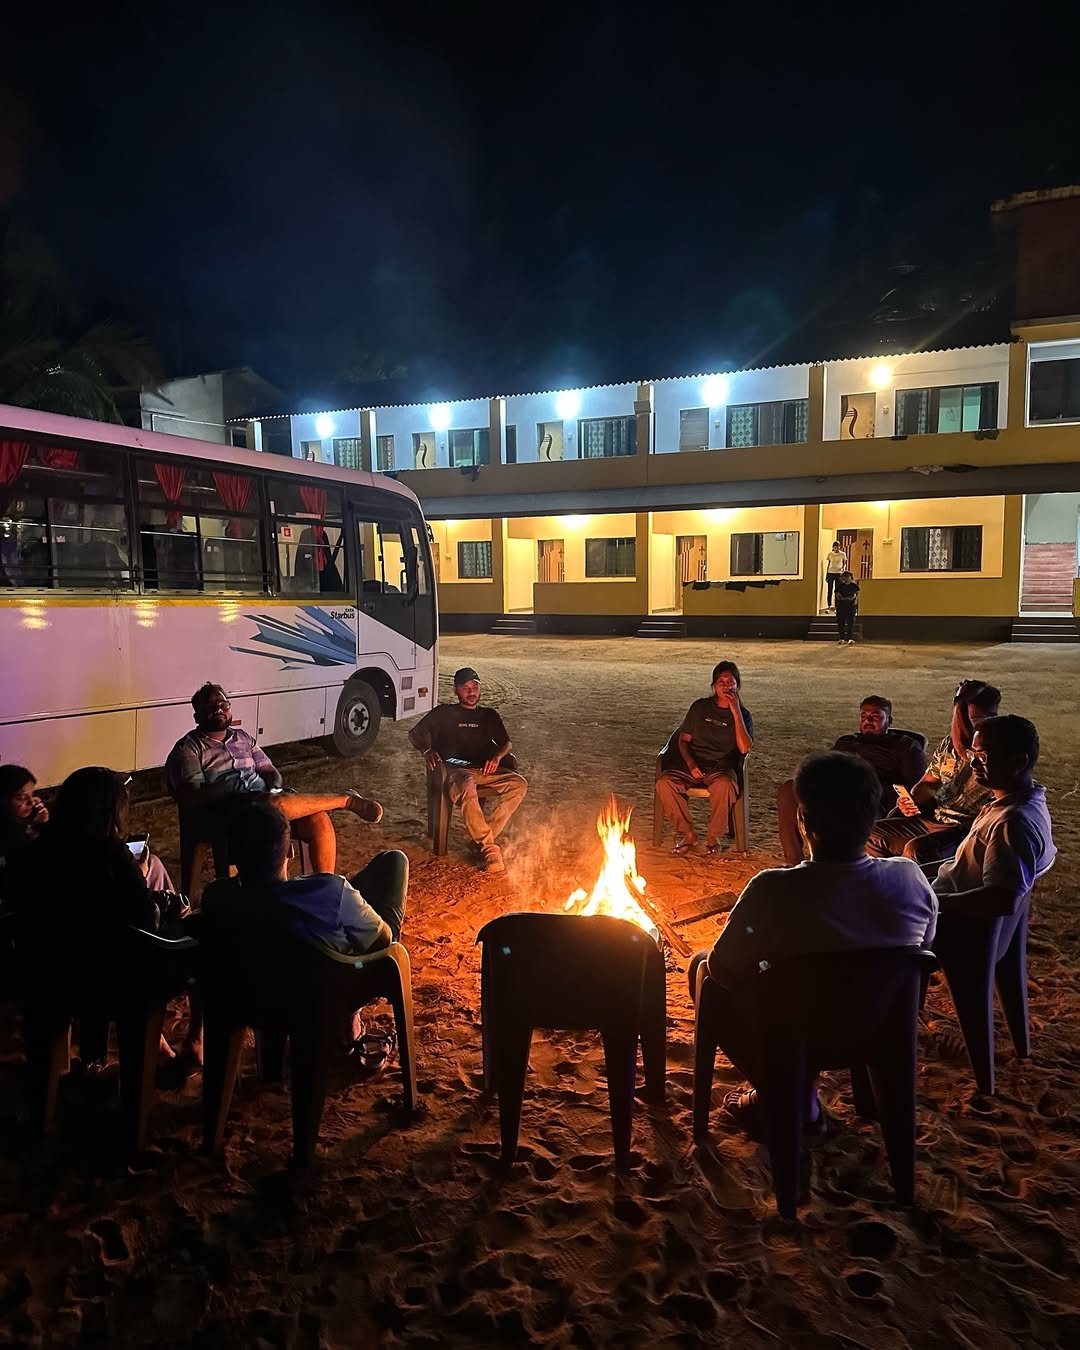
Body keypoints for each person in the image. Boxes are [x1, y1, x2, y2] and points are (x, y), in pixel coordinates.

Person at [688, 752, 937, 1134]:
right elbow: (925, 944)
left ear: (802, 820)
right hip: (879, 1027)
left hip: (795, 1034)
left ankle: (788, 1095)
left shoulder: (772, 889)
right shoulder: (910, 878)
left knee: (702, 967)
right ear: (872, 819)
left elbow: (722, 970)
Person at [4, 767, 197, 1064]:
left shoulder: (30, 853)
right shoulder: (111, 854)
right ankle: (190, 1043)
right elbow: (145, 920)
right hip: (110, 982)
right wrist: (141, 875)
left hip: (47, 976)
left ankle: (86, 1059)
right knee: (198, 943)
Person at [201, 798, 407, 1062]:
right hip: (328, 994)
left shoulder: (216, 898)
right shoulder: (329, 890)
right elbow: (382, 942)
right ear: (288, 852)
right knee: (394, 864)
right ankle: (349, 1021)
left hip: (252, 998)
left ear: (230, 855)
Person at [166, 683, 383, 875]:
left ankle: (325, 888)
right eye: (211, 706)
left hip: (265, 799)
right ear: (197, 716)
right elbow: (192, 795)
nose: (219, 709)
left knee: (318, 819)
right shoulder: (189, 748)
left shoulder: (243, 738)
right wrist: (229, 792)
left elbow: (270, 772)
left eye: (223, 704)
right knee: (271, 806)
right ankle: (346, 800)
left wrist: (274, 788)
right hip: (232, 811)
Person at [775, 696, 926, 865]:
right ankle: (794, 862)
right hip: (837, 789)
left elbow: (917, 785)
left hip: (872, 797)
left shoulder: (904, 746)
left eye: (875, 716)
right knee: (790, 789)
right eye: (863, 716)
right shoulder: (846, 742)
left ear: (889, 720)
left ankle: (841, 862)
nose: (868, 721)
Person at [930, 715, 1055, 919]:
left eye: (982, 756)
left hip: (941, 919)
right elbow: (969, 866)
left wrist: (925, 902)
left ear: (1018, 761)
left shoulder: (1011, 823)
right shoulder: (1021, 804)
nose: (973, 763)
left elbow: (1001, 898)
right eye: (972, 754)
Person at [866, 679, 1000, 864]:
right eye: (961, 717)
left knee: (917, 849)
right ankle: (887, 879)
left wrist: (960, 703)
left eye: (968, 718)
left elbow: (964, 747)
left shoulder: (995, 747)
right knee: (869, 834)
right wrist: (912, 801)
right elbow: (930, 782)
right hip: (932, 818)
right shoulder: (948, 743)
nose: (962, 724)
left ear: (991, 717)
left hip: (964, 828)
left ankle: (913, 882)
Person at [408, 667, 527, 874]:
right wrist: (427, 750)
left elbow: (506, 743)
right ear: (455, 690)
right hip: (455, 773)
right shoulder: (444, 713)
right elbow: (414, 734)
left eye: (475, 687)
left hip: (485, 771)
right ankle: (489, 849)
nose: (471, 692)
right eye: (465, 688)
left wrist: (496, 758)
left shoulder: (489, 716)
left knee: (519, 784)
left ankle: (480, 838)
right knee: (467, 784)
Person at [655, 661, 753, 857]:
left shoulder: (744, 715)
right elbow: (683, 740)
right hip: (692, 763)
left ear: (738, 684)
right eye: (721, 682)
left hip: (720, 767)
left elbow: (744, 748)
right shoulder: (700, 707)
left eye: (730, 682)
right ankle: (688, 834)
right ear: (714, 685)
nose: (726, 686)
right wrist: (691, 763)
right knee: (665, 784)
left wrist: (735, 711)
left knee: (725, 786)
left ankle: (713, 837)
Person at [0, 765, 49, 899]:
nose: (31, 802)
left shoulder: (22, 824)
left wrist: (37, 823)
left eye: (32, 795)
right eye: (21, 797)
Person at [834, 570, 860, 645]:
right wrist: (848, 598)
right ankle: (841, 638)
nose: (846, 578)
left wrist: (855, 601)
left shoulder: (854, 586)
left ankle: (850, 638)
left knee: (851, 623)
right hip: (841, 607)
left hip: (851, 607)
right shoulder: (839, 586)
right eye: (845, 577)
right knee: (841, 623)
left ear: (851, 577)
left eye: (848, 577)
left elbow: (856, 595)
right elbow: (838, 596)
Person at [825, 541, 847, 610]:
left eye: (838, 547)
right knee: (830, 590)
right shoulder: (830, 554)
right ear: (833, 547)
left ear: (839, 547)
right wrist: (827, 575)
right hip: (830, 572)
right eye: (835, 547)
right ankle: (829, 605)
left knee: (837, 590)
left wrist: (843, 568)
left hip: (838, 573)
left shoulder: (842, 554)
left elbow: (844, 563)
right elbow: (829, 564)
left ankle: (837, 606)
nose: (836, 548)